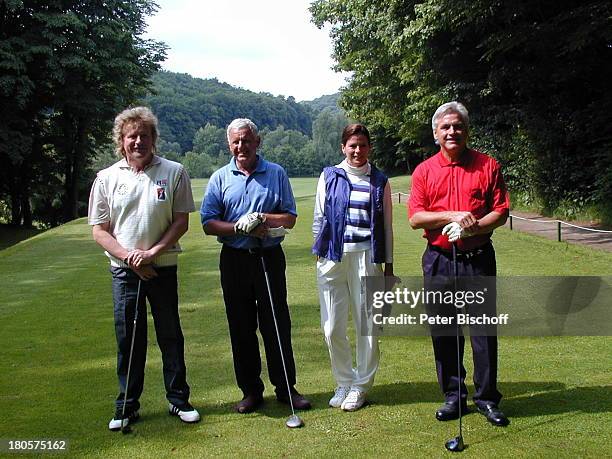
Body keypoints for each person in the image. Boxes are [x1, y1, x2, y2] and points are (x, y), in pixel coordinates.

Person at [88, 106, 200, 431]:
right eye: (131, 136)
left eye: (144, 135)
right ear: (121, 141)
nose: (138, 141)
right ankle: (126, 406)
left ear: (154, 139)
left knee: (170, 335)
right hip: (124, 272)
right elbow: (99, 229)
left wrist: (152, 253)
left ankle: (178, 400)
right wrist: (130, 258)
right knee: (129, 340)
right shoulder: (106, 178)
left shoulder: (174, 172)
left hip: (162, 267)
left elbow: (181, 221)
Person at [408, 101, 510, 427]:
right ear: (436, 133)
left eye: (458, 126)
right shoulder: (424, 170)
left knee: (483, 333)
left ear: (466, 130)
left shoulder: (487, 165)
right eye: (446, 127)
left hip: (477, 259)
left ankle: (486, 398)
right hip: (439, 260)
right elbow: (416, 217)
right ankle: (454, 396)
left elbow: (501, 211)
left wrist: (473, 226)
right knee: (444, 331)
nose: (452, 131)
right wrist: (451, 216)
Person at [200, 118, 311, 414]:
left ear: (257, 141)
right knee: (241, 327)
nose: (241, 146)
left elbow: (289, 217)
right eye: (236, 141)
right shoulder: (219, 178)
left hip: (269, 258)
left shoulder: (276, 173)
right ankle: (251, 391)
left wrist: (262, 218)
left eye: (246, 140)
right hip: (235, 260)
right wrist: (239, 227)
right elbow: (208, 224)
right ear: (229, 144)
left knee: (276, 324)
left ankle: (287, 388)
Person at [312, 124, 394, 411]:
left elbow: (386, 228)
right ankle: (344, 381)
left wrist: (389, 268)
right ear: (343, 147)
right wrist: (318, 254)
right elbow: (319, 218)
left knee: (367, 326)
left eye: (362, 145)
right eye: (352, 145)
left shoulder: (380, 181)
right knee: (332, 326)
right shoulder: (329, 176)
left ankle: (360, 386)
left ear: (369, 147)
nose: (357, 150)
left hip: (367, 258)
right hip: (332, 258)